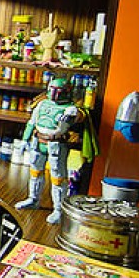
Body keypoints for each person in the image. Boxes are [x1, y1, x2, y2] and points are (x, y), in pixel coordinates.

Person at [16, 76, 82, 223]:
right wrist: (24, 140)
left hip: (56, 143)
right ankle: (33, 199)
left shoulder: (70, 108)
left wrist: (73, 116)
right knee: (35, 172)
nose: (54, 93)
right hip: (38, 141)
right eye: (52, 89)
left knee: (58, 178)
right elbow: (31, 123)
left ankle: (58, 209)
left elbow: (78, 117)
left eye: (58, 90)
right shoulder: (42, 104)